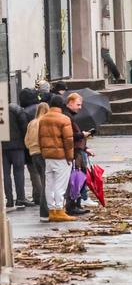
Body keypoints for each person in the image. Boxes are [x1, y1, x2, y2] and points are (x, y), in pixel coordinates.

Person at [38, 95, 75, 223]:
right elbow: (68, 141)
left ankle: (51, 210)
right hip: (61, 156)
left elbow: (40, 138)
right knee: (60, 184)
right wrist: (70, 157)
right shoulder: (64, 119)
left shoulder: (43, 119)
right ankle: (59, 209)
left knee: (50, 184)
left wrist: (44, 152)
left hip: (48, 156)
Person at [63, 92, 90, 216]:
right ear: (70, 103)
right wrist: (82, 135)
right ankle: (73, 205)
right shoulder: (67, 117)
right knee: (76, 179)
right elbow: (69, 137)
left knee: (77, 178)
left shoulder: (70, 116)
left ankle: (76, 203)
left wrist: (85, 147)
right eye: (78, 104)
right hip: (74, 152)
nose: (80, 107)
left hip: (77, 150)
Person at [3, 92, 31, 209]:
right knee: (19, 172)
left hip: (2, 148)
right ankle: (20, 198)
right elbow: (25, 128)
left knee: (5, 174)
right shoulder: (16, 110)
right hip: (17, 147)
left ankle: (8, 199)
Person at [24, 102, 48, 222]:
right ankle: (45, 208)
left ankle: (41, 202)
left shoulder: (31, 123)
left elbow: (26, 140)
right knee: (46, 181)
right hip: (42, 152)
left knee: (39, 176)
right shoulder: (44, 122)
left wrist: (31, 148)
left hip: (33, 153)